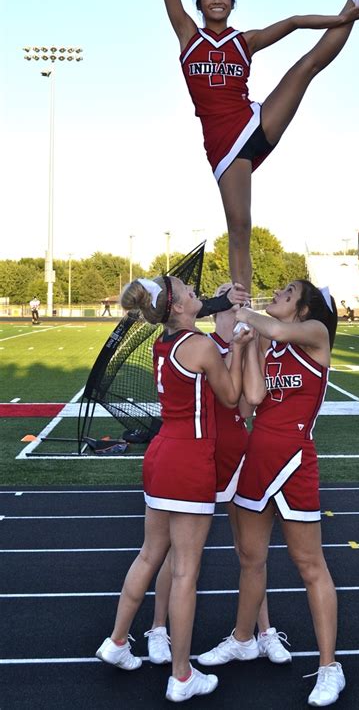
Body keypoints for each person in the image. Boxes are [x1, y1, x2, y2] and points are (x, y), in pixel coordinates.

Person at [118, 0, 359, 290]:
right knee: (239, 225)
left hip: (254, 121)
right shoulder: (187, 36)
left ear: (232, 2)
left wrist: (341, 18)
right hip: (225, 145)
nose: (216, 0)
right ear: (199, 3)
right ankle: (241, 306)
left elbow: (292, 22)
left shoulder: (245, 41)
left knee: (306, 68)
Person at [95, 274, 253, 703]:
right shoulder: (200, 346)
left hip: (161, 457)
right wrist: (238, 349)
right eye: (187, 291)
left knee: (148, 556)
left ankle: (116, 641)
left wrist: (220, 308)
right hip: (189, 462)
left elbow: (196, 316)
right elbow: (232, 395)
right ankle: (182, 676)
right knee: (185, 572)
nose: (195, 293)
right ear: (179, 307)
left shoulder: (161, 343)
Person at [197, 280, 345, 707]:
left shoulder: (315, 334)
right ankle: (244, 638)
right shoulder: (269, 342)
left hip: (295, 462)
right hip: (257, 460)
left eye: (287, 291)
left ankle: (329, 667)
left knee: (309, 565)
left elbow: (278, 330)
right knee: (250, 559)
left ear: (303, 308)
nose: (278, 292)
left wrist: (239, 311)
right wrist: (246, 348)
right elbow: (251, 402)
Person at [145, 284, 291, 668]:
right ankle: (159, 628)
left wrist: (246, 354)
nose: (236, 306)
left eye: (240, 301)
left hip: (235, 453)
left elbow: (244, 408)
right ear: (218, 308)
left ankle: (263, 631)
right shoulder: (201, 345)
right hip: (199, 454)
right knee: (177, 551)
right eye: (229, 300)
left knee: (250, 551)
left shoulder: (248, 345)